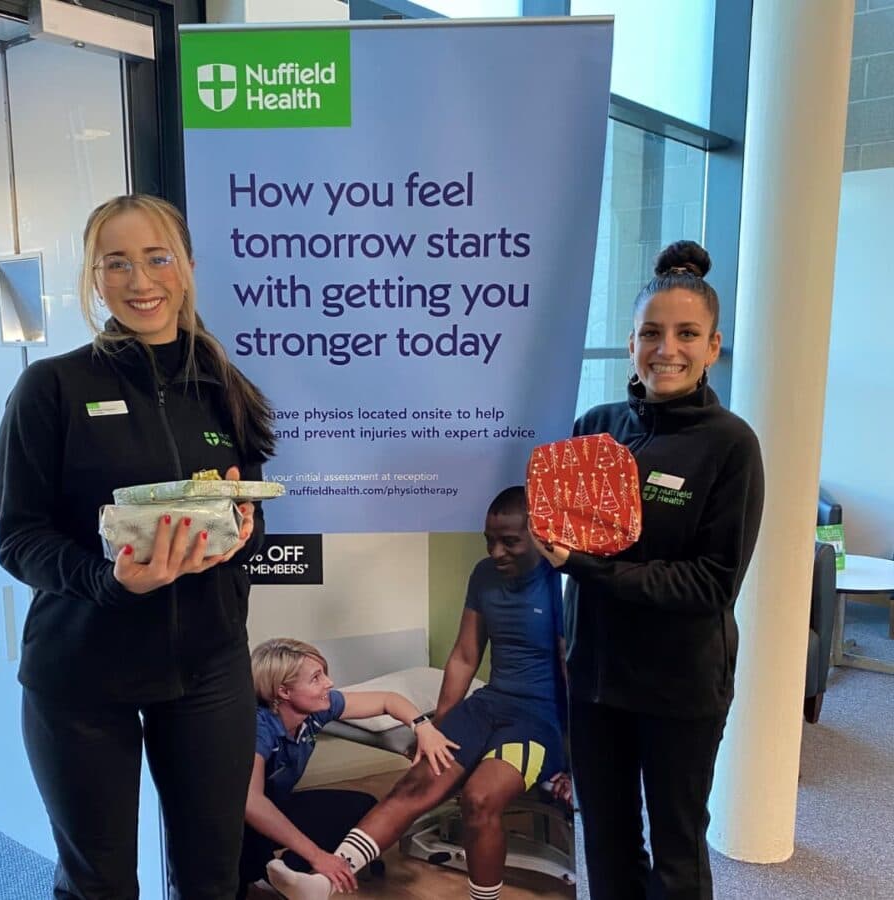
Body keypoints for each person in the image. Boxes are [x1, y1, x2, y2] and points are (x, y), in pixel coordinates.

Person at [0, 194, 275, 899]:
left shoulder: (222, 388)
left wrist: (239, 535)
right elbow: (19, 538)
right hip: (83, 675)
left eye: (157, 258)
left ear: (185, 269)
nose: (140, 281)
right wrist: (111, 582)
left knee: (212, 877)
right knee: (102, 883)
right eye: (116, 263)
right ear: (93, 279)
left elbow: (250, 512)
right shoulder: (50, 388)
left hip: (209, 670)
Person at [534, 240, 765, 900]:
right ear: (631, 342)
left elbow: (709, 584)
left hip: (680, 687)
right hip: (597, 683)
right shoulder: (597, 428)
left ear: (714, 345)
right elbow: (559, 531)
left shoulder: (730, 445)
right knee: (605, 839)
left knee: (676, 851)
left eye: (687, 333)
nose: (668, 349)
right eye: (652, 333)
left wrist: (586, 567)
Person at [266, 487, 570, 900]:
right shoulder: (483, 575)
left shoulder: (562, 583)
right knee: (413, 785)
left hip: (538, 719)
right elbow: (465, 656)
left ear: (540, 535)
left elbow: (576, 673)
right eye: (489, 541)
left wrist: (575, 757)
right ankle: (322, 883)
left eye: (510, 542)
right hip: (489, 704)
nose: (497, 552)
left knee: (479, 799)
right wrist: (437, 725)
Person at [239, 638, 458, 898]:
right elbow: (251, 802)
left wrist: (423, 727)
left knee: (359, 807)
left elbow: (388, 700)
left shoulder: (316, 711)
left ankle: (289, 873)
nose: (328, 684)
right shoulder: (257, 728)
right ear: (284, 692)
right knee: (235, 876)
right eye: (316, 678)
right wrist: (318, 855)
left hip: (270, 809)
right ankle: (258, 873)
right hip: (227, 828)